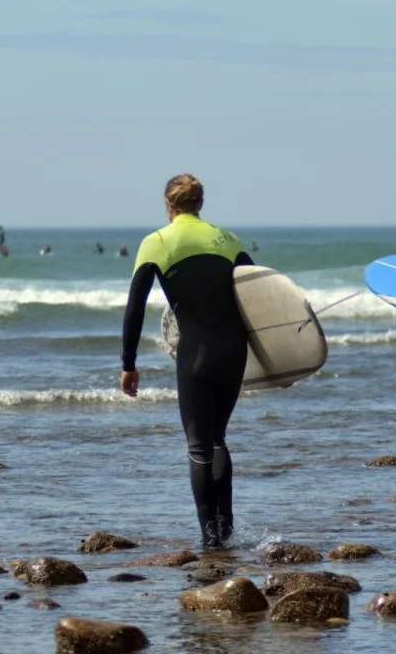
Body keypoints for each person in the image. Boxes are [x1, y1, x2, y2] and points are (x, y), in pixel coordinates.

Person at [120, 174, 253, 548]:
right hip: (234, 350)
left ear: (169, 206)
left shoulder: (157, 242)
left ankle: (210, 540)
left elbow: (135, 308)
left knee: (198, 447)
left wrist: (128, 363)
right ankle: (227, 532)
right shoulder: (228, 241)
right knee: (218, 440)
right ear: (201, 203)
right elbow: (261, 295)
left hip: (195, 352)